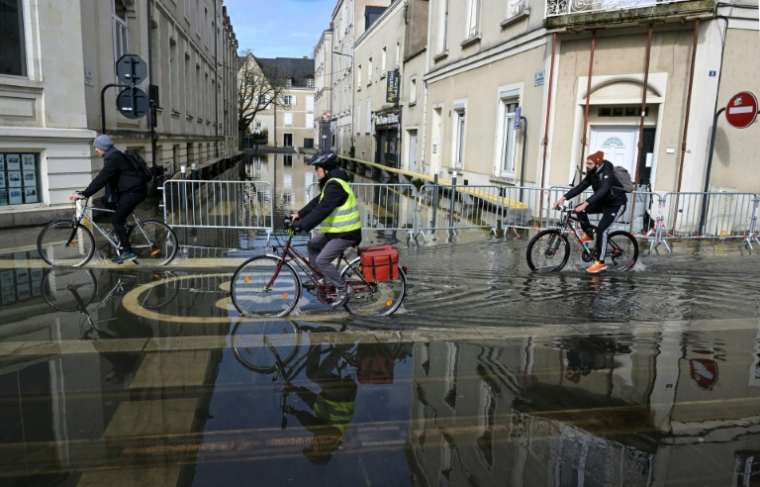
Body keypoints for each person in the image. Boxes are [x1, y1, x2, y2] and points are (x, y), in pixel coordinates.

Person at [290, 150, 361, 308]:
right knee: (313, 245)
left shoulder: (335, 185)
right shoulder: (331, 183)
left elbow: (322, 210)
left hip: (346, 233)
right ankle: (322, 278)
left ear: (326, 168)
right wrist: (299, 215)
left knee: (322, 260)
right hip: (336, 232)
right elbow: (318, 202)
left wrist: (301, 227)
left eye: (317, 167)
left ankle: (344, 289)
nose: (315, 170)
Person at [69, 135, 148, 264]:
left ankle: (128, 252)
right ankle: (124, 227)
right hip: (129, 190)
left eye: (97, 147)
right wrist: (85, 192)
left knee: (116, 219)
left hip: (134, 192)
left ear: (103, 147)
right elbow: (104, 178)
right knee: (106, 201)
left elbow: (102, 178)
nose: (95, 149)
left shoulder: (114, 158)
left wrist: (85, 194)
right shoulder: (114, 156)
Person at [283, 340, 358, 465]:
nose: (311, 444)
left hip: (336, 394)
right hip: (342, 395)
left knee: (311, 374)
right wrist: (297, 414)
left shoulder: (323, 432)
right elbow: (315, 424)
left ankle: (316, 342)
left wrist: (295, 390)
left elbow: (313, 401)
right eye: (312, 448)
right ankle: (343, 347)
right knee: (319, 376)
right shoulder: (332, 439)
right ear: (320, 451)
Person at [553, 150, 627, 273]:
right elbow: (581, 186)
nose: (587, 166)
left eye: (590, 164)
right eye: (587, 163)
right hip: (603, 202)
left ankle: (601, 262)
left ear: (598, 164)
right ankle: (588, 233)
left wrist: (587, 203)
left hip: (616, 205)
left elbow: (603, 189)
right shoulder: (592, 174)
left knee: (602, 230)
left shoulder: (607, 173)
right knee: (579, 209)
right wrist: (563, 198)